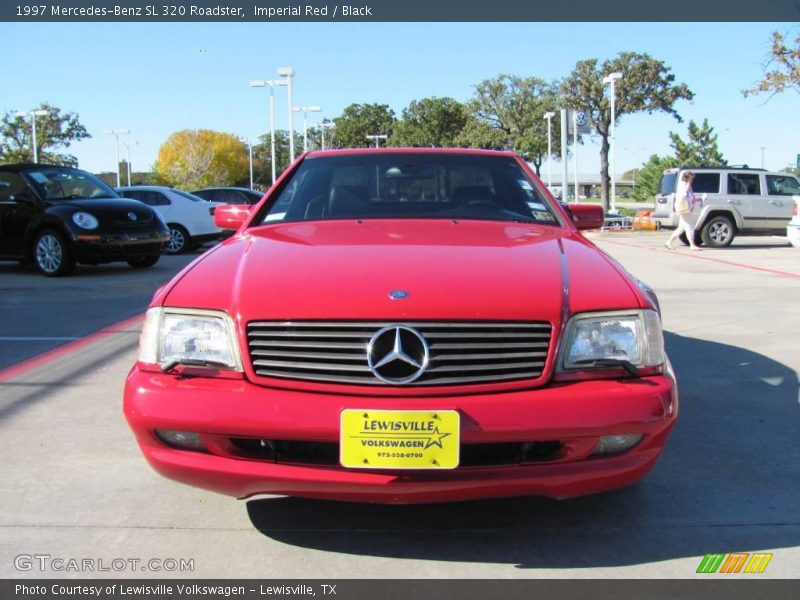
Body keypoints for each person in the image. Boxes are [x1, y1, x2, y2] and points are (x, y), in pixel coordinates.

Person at [665, 170, 703, 251]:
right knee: (689, 227)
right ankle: (692, 244)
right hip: (685, 209)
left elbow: (690, 198)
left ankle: (668, 242)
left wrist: (699, 199)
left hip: (685, 209)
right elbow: (683, 196)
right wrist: (688, 184)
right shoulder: (684, 186)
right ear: (688, 178)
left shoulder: (687, 186)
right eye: (691, 178)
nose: (692, 180)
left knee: (681, 228)